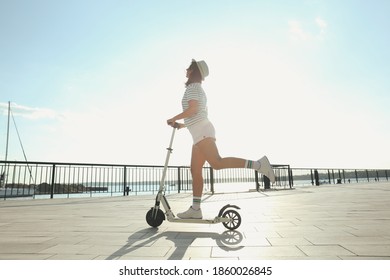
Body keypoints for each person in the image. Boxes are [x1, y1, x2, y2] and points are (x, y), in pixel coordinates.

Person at [167, 59, 275, 219]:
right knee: (195, 170)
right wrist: (181, 125)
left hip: (202, 132)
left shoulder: (192, 88)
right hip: (199, 132)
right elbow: (199, 114)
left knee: (217, 163)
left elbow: (193, 109)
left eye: (189, 68)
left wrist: (172, 118)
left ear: (194, 71)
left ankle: (259, 165)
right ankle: (196, 209)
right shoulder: (198, 89)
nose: (186, 70)